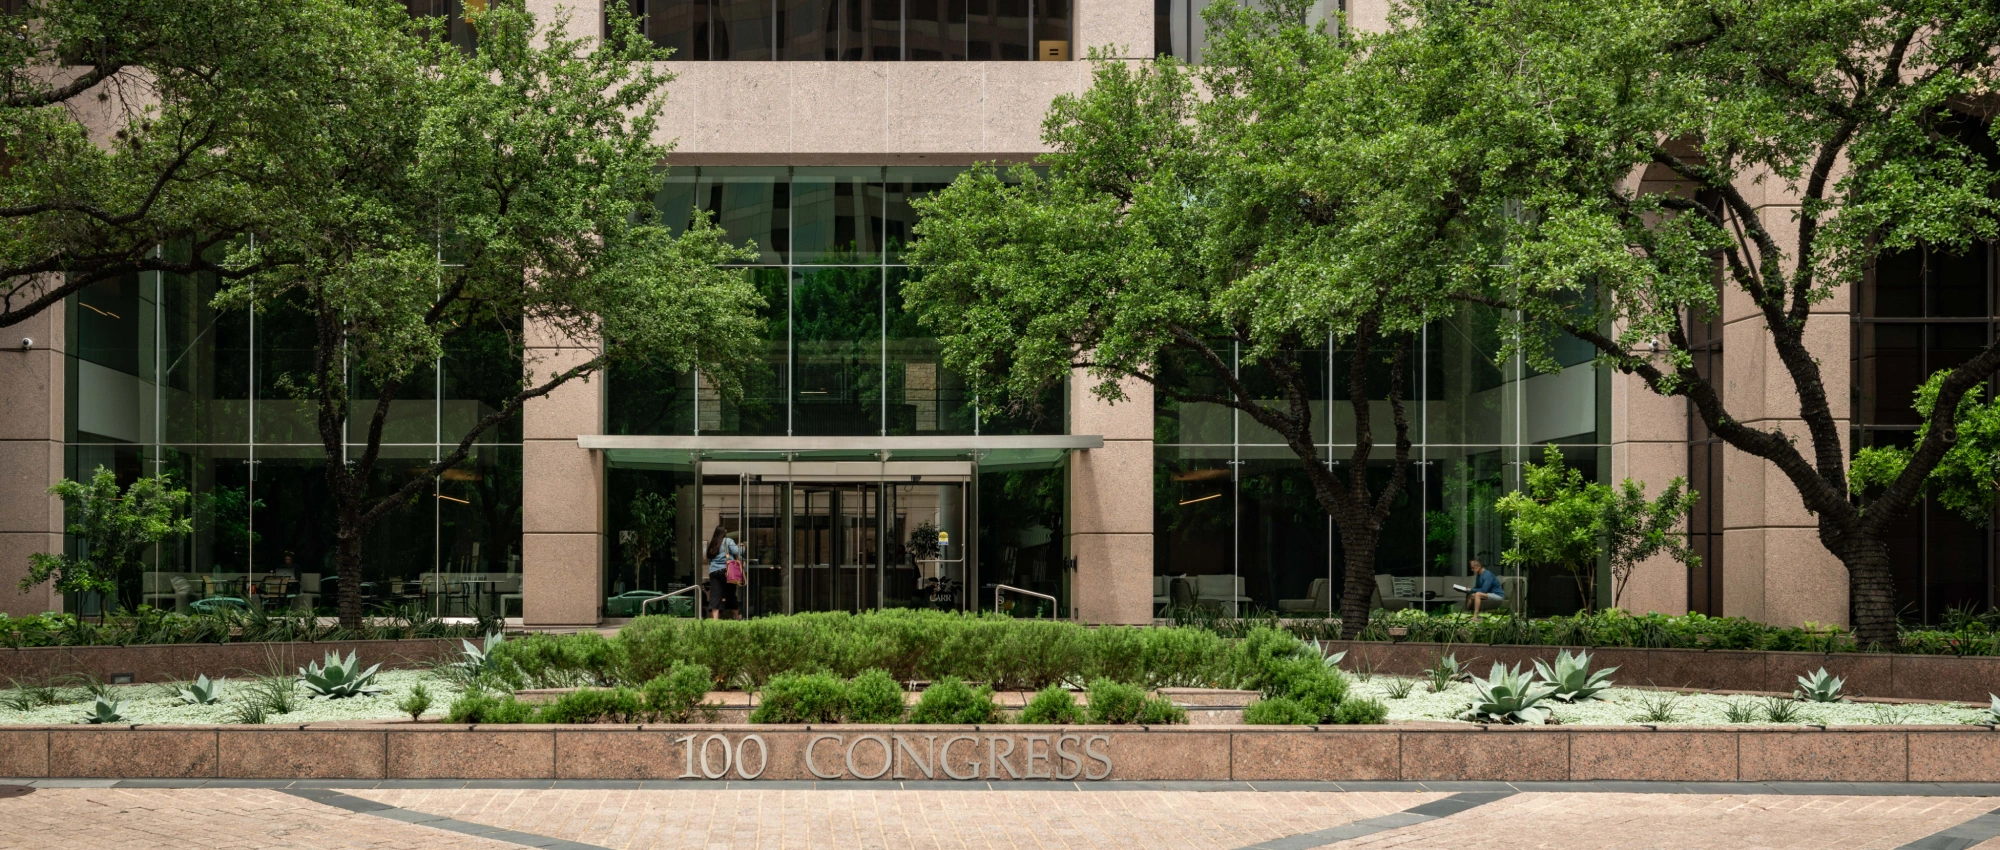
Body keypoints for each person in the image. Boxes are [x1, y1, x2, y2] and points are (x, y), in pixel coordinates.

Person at [704, 525, 741, 620]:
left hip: (714, 572)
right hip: (727, 570)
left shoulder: (713, 543)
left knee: (715, 595)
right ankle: (736, 616)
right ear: (724, 532)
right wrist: (742, 547)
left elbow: (709, 557)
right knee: (731, 594)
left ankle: (715, 620)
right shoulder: (728, 541)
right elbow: (737, 551)